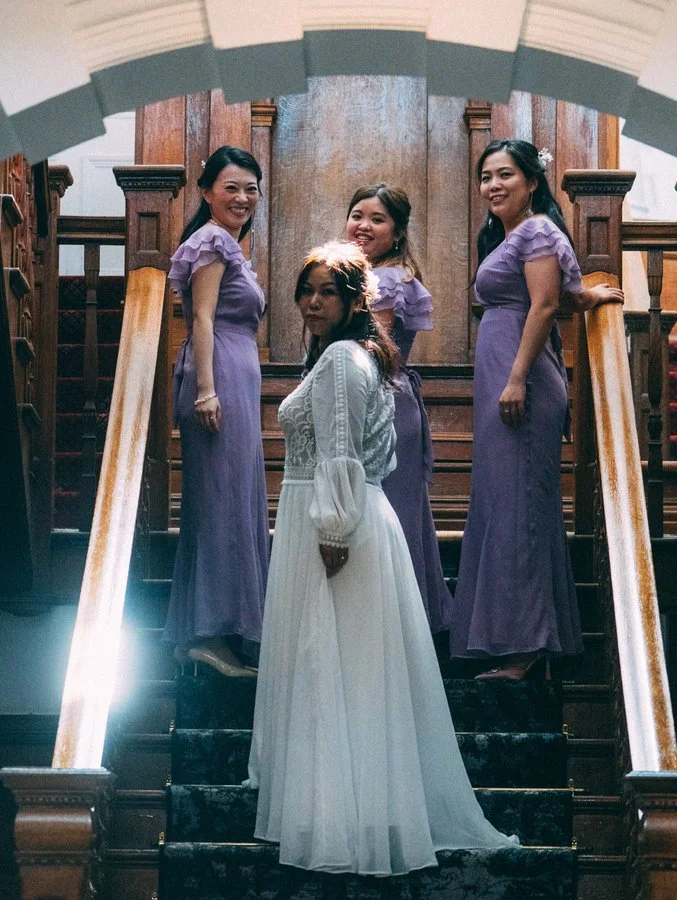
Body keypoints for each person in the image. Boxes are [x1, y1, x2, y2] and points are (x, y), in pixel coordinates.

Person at [245, 241, 517, 875]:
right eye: (305, 291)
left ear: (352, 301)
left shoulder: (343, 359)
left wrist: (335, 531)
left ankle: (343, 823)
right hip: (331, 517)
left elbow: (345, 451)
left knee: (336, 669)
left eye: (327, 292)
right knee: (335, 671)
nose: (313, 302)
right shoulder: (346, 355)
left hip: (336, 526)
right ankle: (334, 809)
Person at [449, 139, 623, 680]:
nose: (494, 185)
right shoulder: (512, 237)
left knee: (521, 505)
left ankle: (526, 647)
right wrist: (587, 296)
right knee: (505, 501)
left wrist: (517, 377)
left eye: (505, 175)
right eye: (486, 177)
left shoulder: (539, 230)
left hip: (520, 376)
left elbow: (546, 303)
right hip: (502, 371)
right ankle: (517, 639)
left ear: (532, 182)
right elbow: (561, 294)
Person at [162, 146, 269, 678]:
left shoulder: (228, 245)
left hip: (234, 377)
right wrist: (206, 389)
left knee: (226, 501)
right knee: (223, 505)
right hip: (219, 377)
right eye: (231, 187)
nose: (243, 197)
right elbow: (201, 319)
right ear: (206, 191)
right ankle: (212, 634)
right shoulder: (210, 239)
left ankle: (203, 633)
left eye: (251, 188)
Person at [345, 184, 451, 634]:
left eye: (377, 219)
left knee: (387, 516)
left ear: (398, 231)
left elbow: (375, 352)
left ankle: (390, 628)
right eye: (356, 215)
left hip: (381, 404)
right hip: (379, 400)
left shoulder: (386, 280)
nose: (363, 226)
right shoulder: (356, 275)